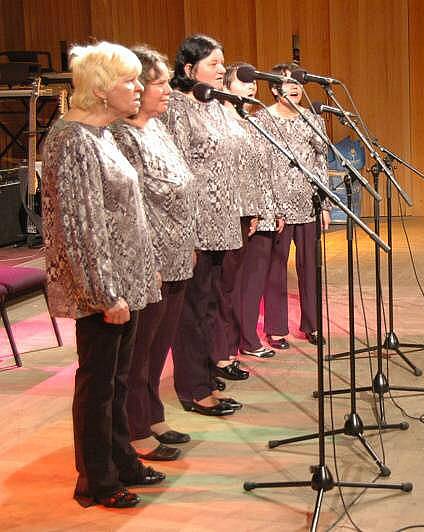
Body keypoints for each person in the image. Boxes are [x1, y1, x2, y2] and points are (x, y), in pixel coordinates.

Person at [41, 41, 164, 508]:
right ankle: (96, 477)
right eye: (129, 80)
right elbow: (82, 226)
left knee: (118, 379)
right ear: (100, 88)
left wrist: (141, 269)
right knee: (98, 382)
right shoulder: (72, 140)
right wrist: (106, 293)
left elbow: (121, 213)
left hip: (124, 282)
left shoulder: (102, 133)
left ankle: (121, 459)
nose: (138, 88)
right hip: (101, 289)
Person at [110, 46, 195, 461]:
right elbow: (134, 204)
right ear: (138, 87)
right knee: (139, 351)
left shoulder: (157, 128)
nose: (167, 90)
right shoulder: (123, 136)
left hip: (177, 252)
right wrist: (152, 261)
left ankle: (153, 413)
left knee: (159, 346)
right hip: (152, 259)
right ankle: (135, 426)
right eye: (160, 82)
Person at [160, 34, 246, 417]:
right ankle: (193, 388)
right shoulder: (176, 108)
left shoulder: (216, 105)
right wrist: (186, 233)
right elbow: (175, 171)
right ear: (188, 69)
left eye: (222, 63)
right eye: (214, 63)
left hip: (222, 220)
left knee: (211, 304)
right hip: (193, 224)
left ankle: (207, 373)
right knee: (192, 310)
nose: (222, 69)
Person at [254, 62, 331, 349]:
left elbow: (321, 162)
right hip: (278, 207)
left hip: (308, 203)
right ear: (274, 88)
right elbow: (259, 167)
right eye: (288, 82)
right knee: (276, 268)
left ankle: (312, 325)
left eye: (298, 82)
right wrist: (268, 207)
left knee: (310, 267)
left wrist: (324, 205)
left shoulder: (313, 119)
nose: (296, 87)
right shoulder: (262, 119)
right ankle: (275, 328)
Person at [217, 62, 282, 359]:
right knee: (236, 283)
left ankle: (244, 338)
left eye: (252, 83)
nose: (251, 86)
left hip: (259, 209)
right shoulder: (223, 121)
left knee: (253, 281)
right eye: (242, 82)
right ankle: (234, 342)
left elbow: (263, 169)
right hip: (237, 212)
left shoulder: (252, 120)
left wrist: (271, 208)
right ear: (225, 87)